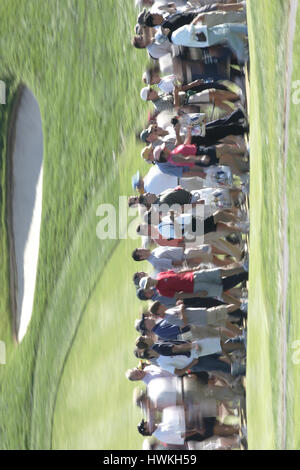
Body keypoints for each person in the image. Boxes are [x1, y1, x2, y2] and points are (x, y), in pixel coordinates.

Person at [138, 263, 248, 306]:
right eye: (148, 284)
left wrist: (193, 268)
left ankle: (243, 268)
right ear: (149, 287)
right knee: (220, 292)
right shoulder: (162, 291)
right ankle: (241, 305)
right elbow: (179, 295)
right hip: (194, 287)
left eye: (148, 280)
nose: (150, 282)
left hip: (194, 275)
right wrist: (197, 294)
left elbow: (179, 273)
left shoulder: (161, 274)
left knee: (220, 271)